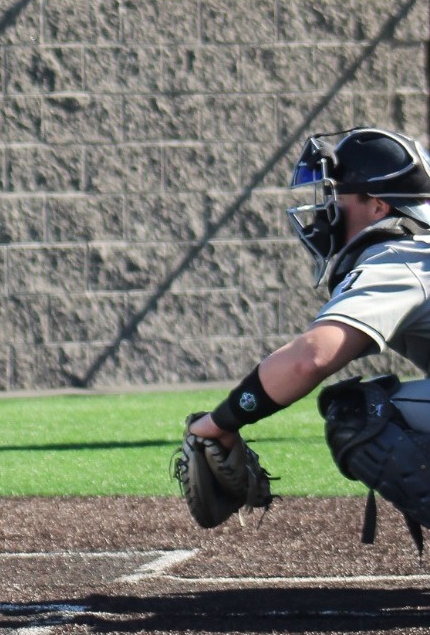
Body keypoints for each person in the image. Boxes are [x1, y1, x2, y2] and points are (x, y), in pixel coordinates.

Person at [183, 126, 430, 538]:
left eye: (338, 196)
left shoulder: (399, 256)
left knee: (355, 413)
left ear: (379, 206)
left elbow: (310, 358)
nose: (325, 210)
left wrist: (221, 421)